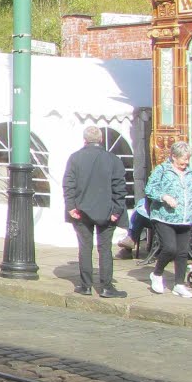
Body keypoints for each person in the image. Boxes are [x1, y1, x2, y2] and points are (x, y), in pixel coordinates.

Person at [62, 126, 129, 298]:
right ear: (101, 140)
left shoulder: (75, 158)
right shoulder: (112, 159)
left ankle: (86, 286)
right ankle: (106, 287)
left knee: (85, 248)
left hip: (81, 210)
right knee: (105, 249)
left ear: (84, 140)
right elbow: (120, 187)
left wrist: (71, 207)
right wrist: (117, 210)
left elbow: (68, 184)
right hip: (107, 211)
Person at [143, 141, 192, 298]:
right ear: (173, 156)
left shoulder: (191, 174)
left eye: (187, 159)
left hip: (185, 219)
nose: (185, 162)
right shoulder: (162, 170)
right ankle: (156, 274)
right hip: (164, 217)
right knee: (170, 248)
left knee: (183, 252)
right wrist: (164, 196)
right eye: (182, 159)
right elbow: (150, 189)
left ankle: (179, 284)